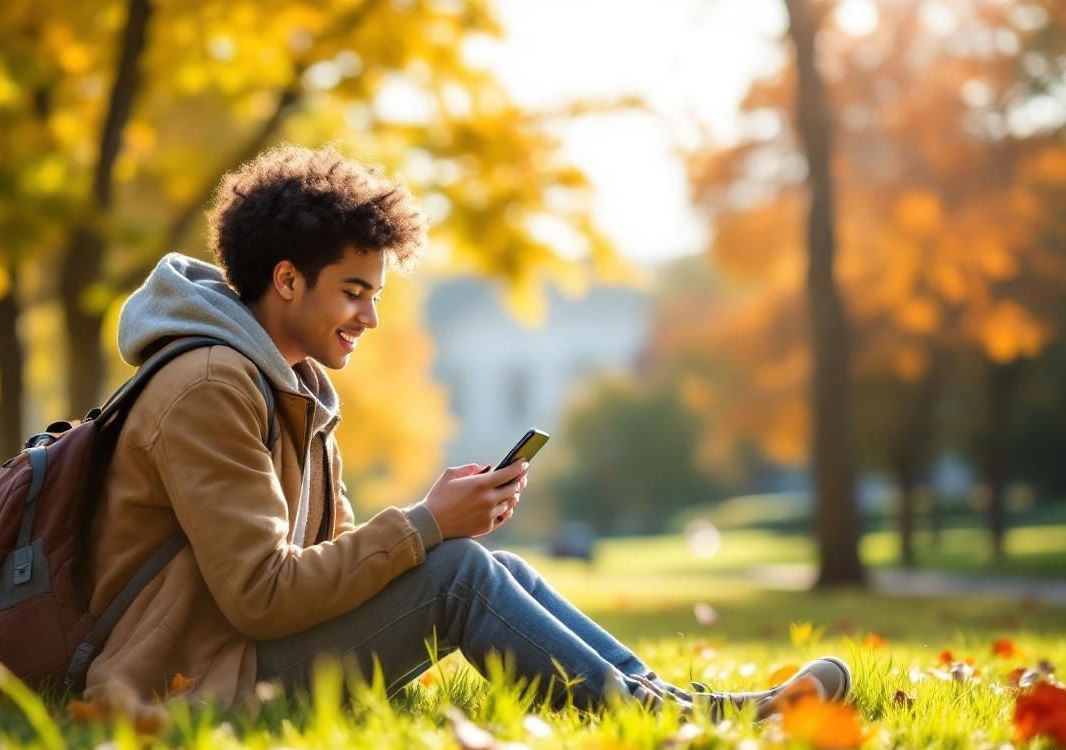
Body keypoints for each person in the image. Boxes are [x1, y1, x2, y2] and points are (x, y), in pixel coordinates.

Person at [84, 145, 851, 716]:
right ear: (287, 280)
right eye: (353, 292)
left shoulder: (293, 384)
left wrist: (435, 525)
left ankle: (681, 705)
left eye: (375, 293)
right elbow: (261, 596)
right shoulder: (212, 385)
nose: (372, 317)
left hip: (238, 649)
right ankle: (671, 721)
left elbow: (324, 562)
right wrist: (422, 527)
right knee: (459, 575)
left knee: (486, 567)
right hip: (193, 677)